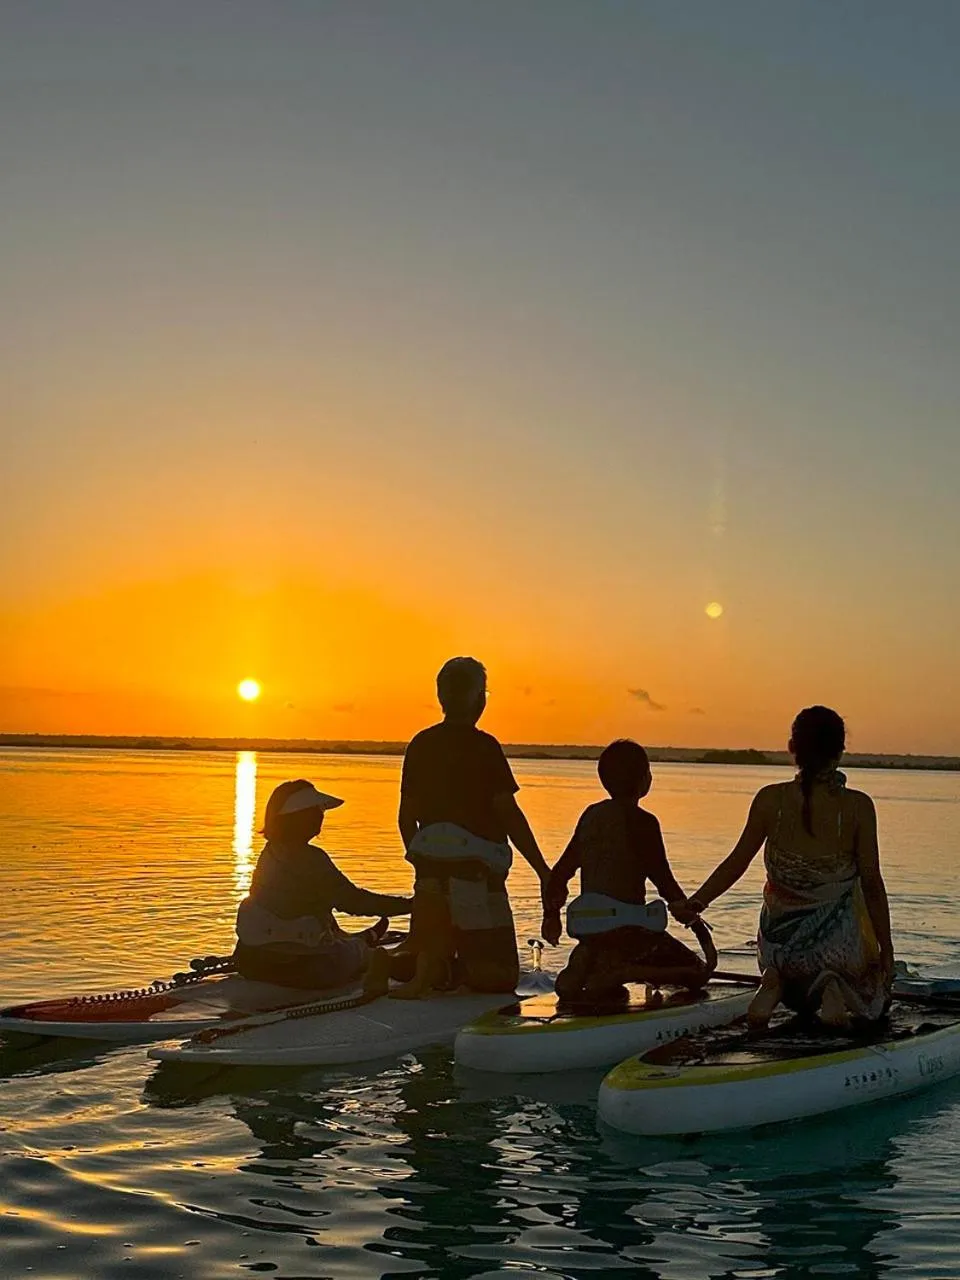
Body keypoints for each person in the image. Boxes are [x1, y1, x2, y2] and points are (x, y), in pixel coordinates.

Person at [673, 706, 894, 1028]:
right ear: (840, 752)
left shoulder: (769, 799)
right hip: (835, 949)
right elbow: (872, 884)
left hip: (778, 946)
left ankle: (773, 980)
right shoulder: (858, 807)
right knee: (868, 982)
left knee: (786, 954)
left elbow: (736, 862)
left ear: (792, 748)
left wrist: (697, 902)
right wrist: (886, 950)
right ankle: (832, 985)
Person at [394, 656, 551, 997]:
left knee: (430, 948)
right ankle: (443, 970)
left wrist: (421, 864)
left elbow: (406, 818)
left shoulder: (420, 744)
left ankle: (402, 965)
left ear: (441, 697)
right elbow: (508, 814)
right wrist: (543, 871)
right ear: (479, 699)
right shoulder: (484, 747)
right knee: (503, 975)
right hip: (477, 879)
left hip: (429, 877)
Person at [541, 739, 716, 1004]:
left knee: (596, 962)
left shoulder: (591, 817)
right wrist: (694, 921)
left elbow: (560, 873)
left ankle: (585, 964)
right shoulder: (644, 822)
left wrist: (551, 916)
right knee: (698, 973)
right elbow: (665, 882)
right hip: (631, 934)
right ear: (645, 779)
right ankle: (624, 972)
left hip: (591, 932)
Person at [234, 779, 411, 991]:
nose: (321, 815)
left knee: (315, 909)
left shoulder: (268, 853)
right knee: (366, 955)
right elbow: (354, 902)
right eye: (315, 810)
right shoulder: (311, 859)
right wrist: (410, 905)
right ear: (297, 817)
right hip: (307, 969)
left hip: (251, 962)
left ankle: (357, 939)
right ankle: (362, 944)